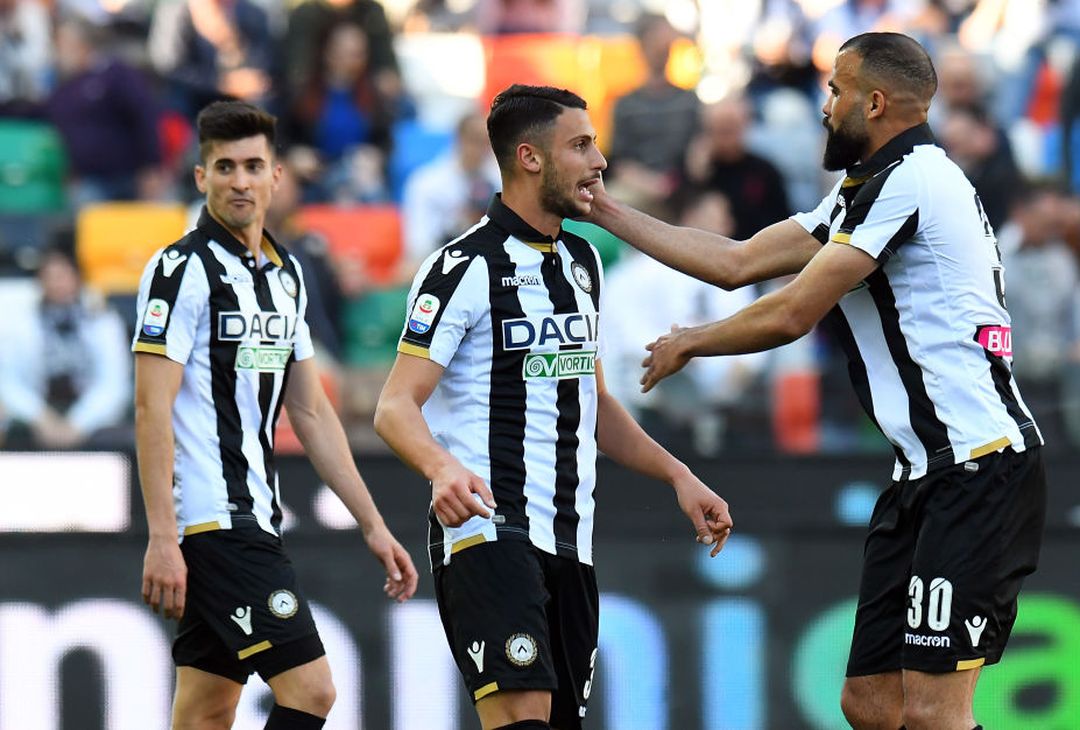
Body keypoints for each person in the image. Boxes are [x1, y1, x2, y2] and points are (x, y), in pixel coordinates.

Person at [586, 33, 1046, 730]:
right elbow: (737, 262)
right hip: (924, 474)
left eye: (836, 91)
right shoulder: (866, 190)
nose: (826, 106)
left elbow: (797, 309)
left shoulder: (915, 180)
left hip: (978, 469)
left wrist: (693, 341)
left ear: (876, 101)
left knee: (931, 712)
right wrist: (603, 210)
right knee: (869, 704)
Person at [373, 84, 733, 730]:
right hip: (489, 531)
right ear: (529, 158)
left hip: (571, 544)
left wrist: (678, 474)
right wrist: (442, 470)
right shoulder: (463, 267)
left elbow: (591, 405)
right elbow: (395, 406)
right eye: (581, 145)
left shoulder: (582, 262)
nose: (599, 161)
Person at [132, 100, 417, 729]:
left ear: (277, 177)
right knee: (312, 691)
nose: (240, 180)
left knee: (206, 711)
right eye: (225, 166)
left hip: (256, 514)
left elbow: (311, 411)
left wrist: (371, 523)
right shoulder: (181, 270)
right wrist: (161, 537)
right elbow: (151, 408)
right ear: (201, 177)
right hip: (211, 522)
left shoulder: (287, 276)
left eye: (253, 165)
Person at [0, 246, 130, 449]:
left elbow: (113, 382)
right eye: (49, 276)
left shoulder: (102, 320)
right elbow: (8, 381)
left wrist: (78, 423)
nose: (55, 283)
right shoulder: (19, 323)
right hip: (36, 421)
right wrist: (41, 418)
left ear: (77, 279)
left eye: (62, 276)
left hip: (93, 422)